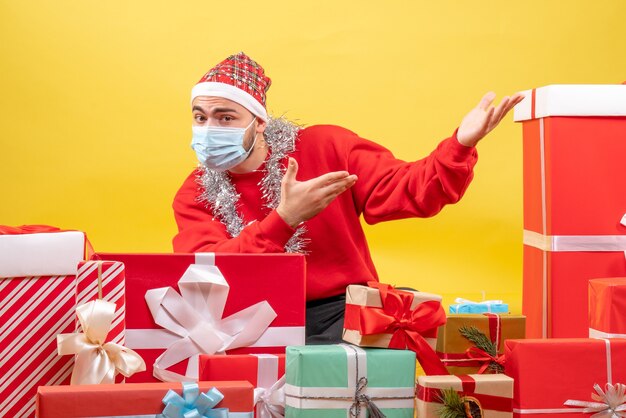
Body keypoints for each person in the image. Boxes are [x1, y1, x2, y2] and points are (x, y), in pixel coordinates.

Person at [172, 52, 523, 343]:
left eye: (225, 118)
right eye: (200, 118)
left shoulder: (323, 147)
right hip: (244, 317)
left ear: (259, 121)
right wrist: (284, 219)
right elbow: (208, 272)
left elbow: (410, 190)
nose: (209, 131)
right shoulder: (195, 192)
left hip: (340, 310)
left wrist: (460, 144)